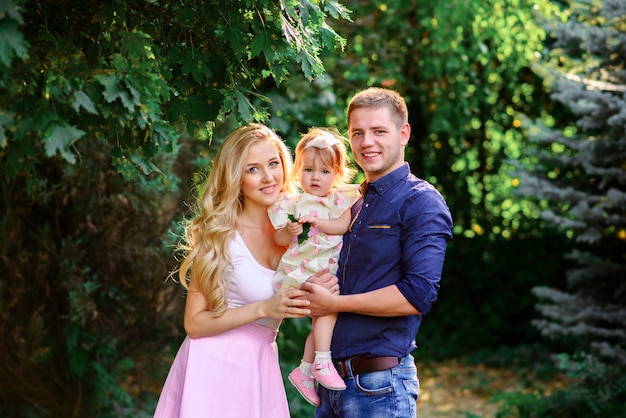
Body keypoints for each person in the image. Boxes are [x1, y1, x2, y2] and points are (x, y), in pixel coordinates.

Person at [153, 123, 336, 418]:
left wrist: (325, 290)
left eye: (273, 164)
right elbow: (194, 324)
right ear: (236, 177)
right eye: (253, 169)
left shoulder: (303, 229)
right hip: (212, 368)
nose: (268, 177)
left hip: (260, 364)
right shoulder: (219, 234)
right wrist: (264, 307)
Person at [301, 87, 454, 418]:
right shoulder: (345, 202)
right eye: (358, 132)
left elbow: (418, 295)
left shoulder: (421, 202)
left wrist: (335, 304)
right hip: (329, 387)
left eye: (378, 131)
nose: (366, 141)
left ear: (404, 134)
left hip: (380, 387)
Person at [268, 127, 360, 406]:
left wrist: (319, 222)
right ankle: (320, 362)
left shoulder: (338, 200)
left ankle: (306, 369)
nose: (315, 177)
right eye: (308, 170)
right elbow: (279, 238)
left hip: (326, 269)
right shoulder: (291, 202)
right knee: (328, 311)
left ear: (337, 174)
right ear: (298, 171)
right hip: (303, 270)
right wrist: (291, 229)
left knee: (323, 319)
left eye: (323, 171)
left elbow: (342, 226)